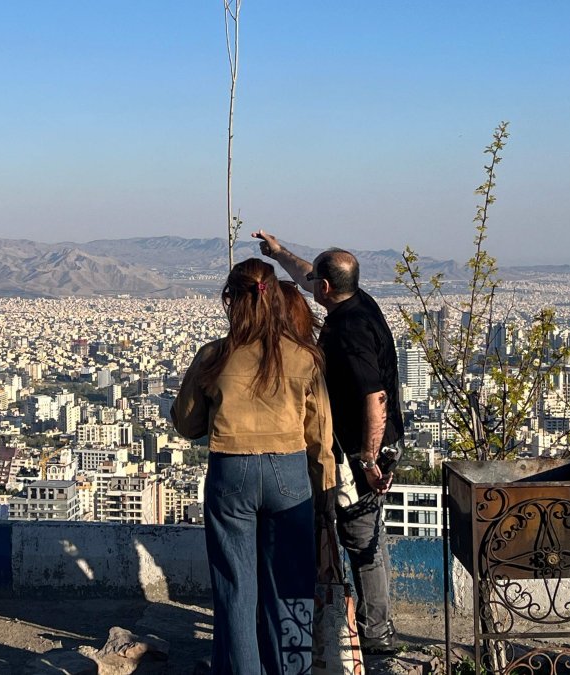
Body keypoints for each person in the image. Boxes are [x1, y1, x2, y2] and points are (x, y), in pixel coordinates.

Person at [171, 258, 335, 674]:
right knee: (292, 588)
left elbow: (187, 424)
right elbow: (321, 438)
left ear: (231, 301)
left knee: (236, 590)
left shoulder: (214, 356)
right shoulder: (304, 357)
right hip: (290, 473)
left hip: (231, 472)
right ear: (276, 298)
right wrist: (327, 495)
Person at [253, 230, 406, 655]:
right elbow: (307, 276)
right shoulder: (359, 301)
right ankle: (370, 625)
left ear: (326, 288)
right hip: (369, 446)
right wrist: (280, 253)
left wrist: (369, 460)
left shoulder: (347, 331)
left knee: (361, 539)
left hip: (361, 453)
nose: (309, 285)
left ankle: (374, 633)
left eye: (315, 282)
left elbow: (374, 397)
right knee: (366, 534)